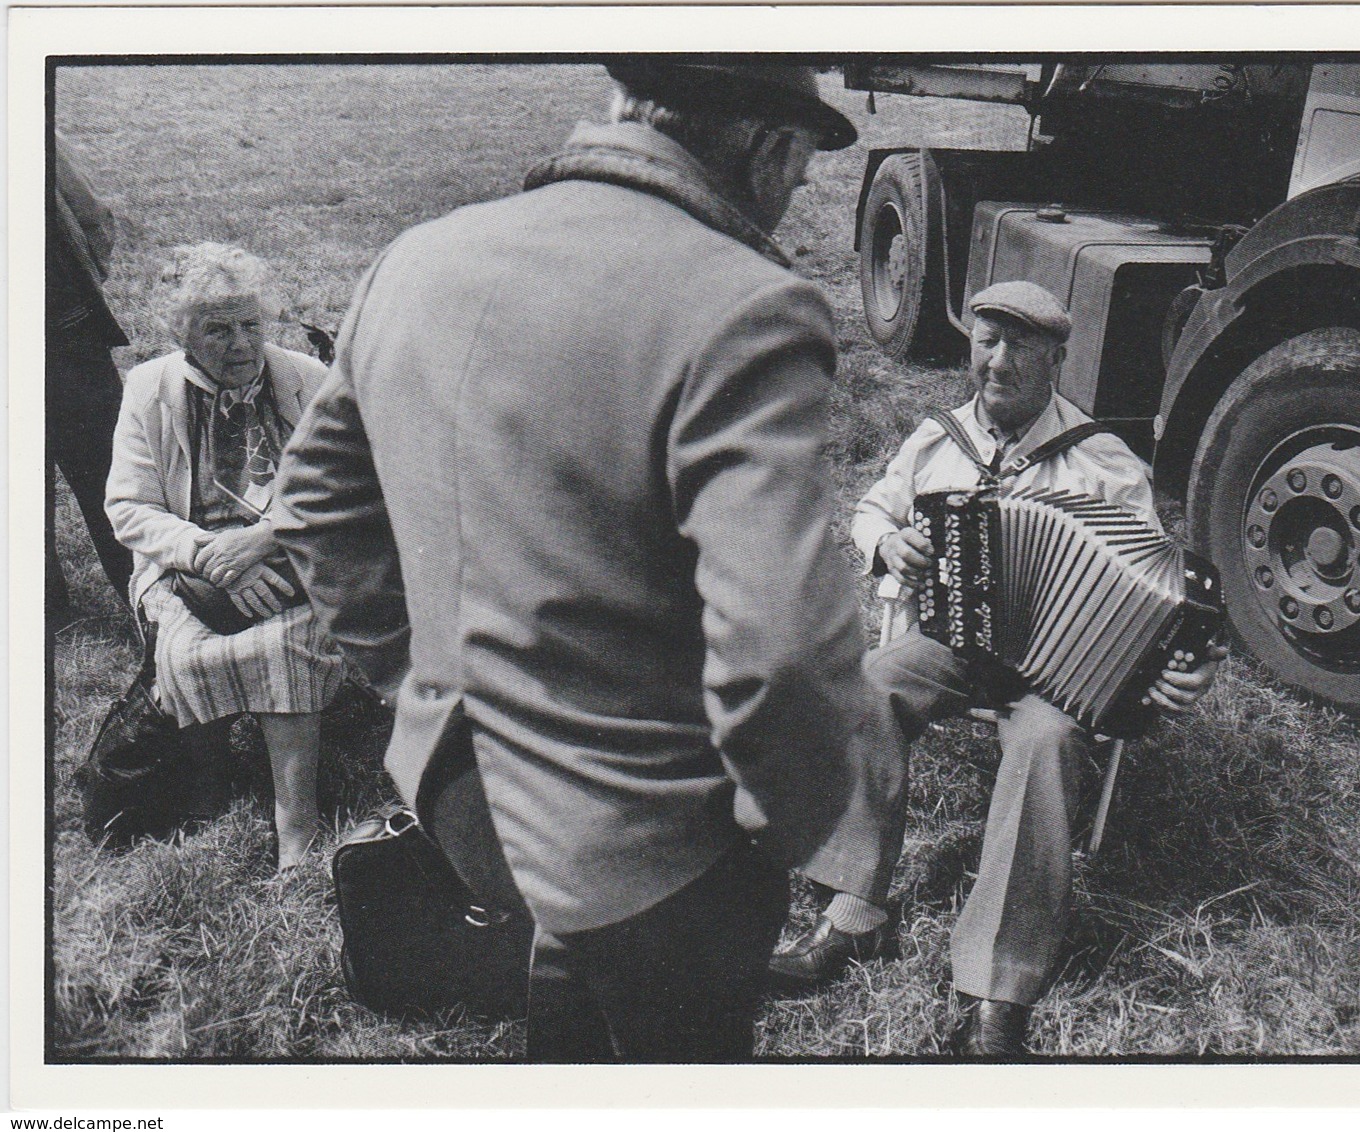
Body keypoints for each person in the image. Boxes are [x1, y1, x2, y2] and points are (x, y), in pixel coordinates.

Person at [272, 63, 891, 1061]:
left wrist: (414, 673)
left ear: (623, 103)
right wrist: (779, 836)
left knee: (573, 1003)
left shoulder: (416, 258)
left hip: (460, 799)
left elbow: (312, 509)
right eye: (800, 173)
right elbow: (781, 651)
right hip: (654, 843)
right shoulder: (746, 305)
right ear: (771, 148)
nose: (791, 196)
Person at [769, 280, 1226, 1056]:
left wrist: (1185, 665)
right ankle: (853, 914)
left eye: (1021, 346)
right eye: (987, 341)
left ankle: (995, 988)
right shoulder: (938, 439)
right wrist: (889, 544)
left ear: (1057, 356)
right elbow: (874, 508)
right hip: (957, 643)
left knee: (1044, 746)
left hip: (1060, 676)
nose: (999, 362)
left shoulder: (1103, 461)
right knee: (871, 682)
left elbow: (1163, 594)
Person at [105, 243, 344, 871]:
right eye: (218, 329)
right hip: (190, 567)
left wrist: (264, 542)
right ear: (181, 334)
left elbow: (347, 487)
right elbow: (128, 508)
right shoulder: (149, 389)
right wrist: (211, 557)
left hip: (294, 555)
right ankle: (209, 788)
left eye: (250, 324)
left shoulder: (304, 379)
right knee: (187, 650)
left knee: (286, 639)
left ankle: (296, 816)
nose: (241, 344)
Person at [49, 133, 134, 615]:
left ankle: (142, 590)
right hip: (68, 327)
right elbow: (95, 220)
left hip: (66, 330)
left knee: (110, 468)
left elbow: (93, 219)